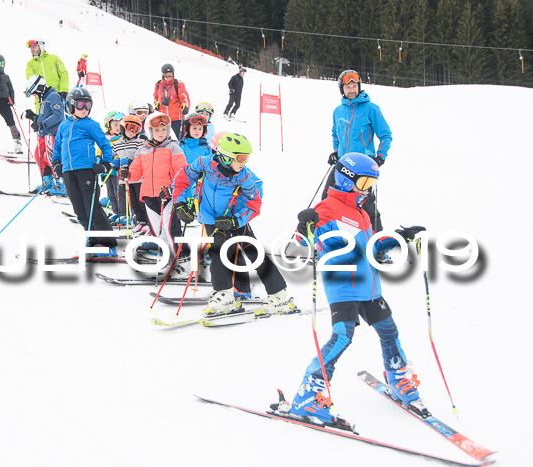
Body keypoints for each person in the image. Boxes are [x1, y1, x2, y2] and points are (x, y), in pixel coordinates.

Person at [278, 152, 425, 428]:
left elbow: (369, 249)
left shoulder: (362, 214)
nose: (368, 189)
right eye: (364, 182)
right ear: (346, 180)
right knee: (342, 337)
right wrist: (305, 225)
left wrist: (398, 239)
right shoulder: (328, 208)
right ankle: (309, 393)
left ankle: (397, 378)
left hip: (370, 287)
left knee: (389, 330)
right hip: (343, 285)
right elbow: (303, 241)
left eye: (372, 184)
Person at [172, 133, 294, 316]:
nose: (244, 162)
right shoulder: (204, 164)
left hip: (235, 220)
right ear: (225, 156)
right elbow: (182, 179)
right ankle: (225, 294)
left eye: (247, 158)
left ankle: (278, 295)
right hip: (211, 220)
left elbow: (254, 203)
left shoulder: (244, 177)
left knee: (253, 253)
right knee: (219, 253)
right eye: (240, 158)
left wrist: (236, 219)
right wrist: (180, 203)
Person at [324, 69, 392, 232]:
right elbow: (335, 133)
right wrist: (336, 151)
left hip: (363, 168)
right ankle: (323, 239)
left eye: (354, 86)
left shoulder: (371, 109)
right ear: (342, 89)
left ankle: (378, 245)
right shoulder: (338, 111)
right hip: (342, 165)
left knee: (367, 207)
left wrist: (380, 157)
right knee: (327, 200)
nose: (352, 90)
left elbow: (385, 135)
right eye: (348, 87)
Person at [121, 112, 189, 272]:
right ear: (150, 131)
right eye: (156, 130)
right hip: (149, 196)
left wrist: (173, 189)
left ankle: (183, 260)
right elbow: (136, 171)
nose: (160, 133)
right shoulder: (143, 149)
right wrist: (128, 174)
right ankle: (167, 258)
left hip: (168, 195)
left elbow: (182, 170)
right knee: (157, 231)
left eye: (164, 130)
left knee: (170, 228)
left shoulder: (173, 147)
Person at [52, 87, 118, 253]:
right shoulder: (64, 126)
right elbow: (58, 146)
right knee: (79, 209)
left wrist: (105, 163)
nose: (85, 109)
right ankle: (94, 238)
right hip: (68, 171)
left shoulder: (91, 125)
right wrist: (56, 163)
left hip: (86, 171)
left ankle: (107, 243)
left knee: (92, 207)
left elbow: (105, 145)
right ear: (71, 105)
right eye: (81, 105)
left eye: (88, 105)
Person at [23, 74, 67, 195]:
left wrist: (42, 125)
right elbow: (45, 117)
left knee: (52, 158)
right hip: (44, 135)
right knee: (39, 156)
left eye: (35, 94)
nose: (35, 97)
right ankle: (48, 182)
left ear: (40, 88)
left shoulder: (53, 96)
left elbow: (58, 115)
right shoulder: (45, 99)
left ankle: (62, 184)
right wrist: (33, 117)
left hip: (52, 134)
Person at [113, 114, 149, 235]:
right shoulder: (117, 144)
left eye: (136, 128)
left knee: (141, 201)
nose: (132, 131)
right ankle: (141, 221)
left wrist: (131, 162)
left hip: (139, 179)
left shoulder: (141, 142)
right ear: (123, 128)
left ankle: (149, 223)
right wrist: (115, 161)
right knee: (132, 202)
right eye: (129, 127)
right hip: (125, 178)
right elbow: (112, 155)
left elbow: (144, 156)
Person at [25, 38, 69, 111]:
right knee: (43, 121)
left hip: (57, 95)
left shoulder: (54, 58)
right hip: (41, 98)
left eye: (34, 47)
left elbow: (64, 74)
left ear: (41, 46)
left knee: (60, 118)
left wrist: (64, 90)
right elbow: (31, 81)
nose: (32, 49)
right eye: (31, 48)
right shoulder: (30, 64)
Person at [153, 64, 191, 139]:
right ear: (163, 75)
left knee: (179, 137)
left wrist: (185, 107)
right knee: (164, 137)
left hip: (177, 117)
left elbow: (184, 96)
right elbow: (156, 97)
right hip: (164, 118)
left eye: (170, 75)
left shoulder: (178, 84)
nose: (168, 78)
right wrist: (157, 104)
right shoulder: (158, 84)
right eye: (166, 75)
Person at [101, 111, 126, 223]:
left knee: (119, 194)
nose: (118, 127)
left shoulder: (123, 139)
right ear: (109, 125)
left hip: (117, 171)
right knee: (111, 193)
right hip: (108, 171)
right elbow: (101, 150)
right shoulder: (105, 139)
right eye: (115, 124)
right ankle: (116, 212)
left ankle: (123, 214)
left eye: (120, 124)